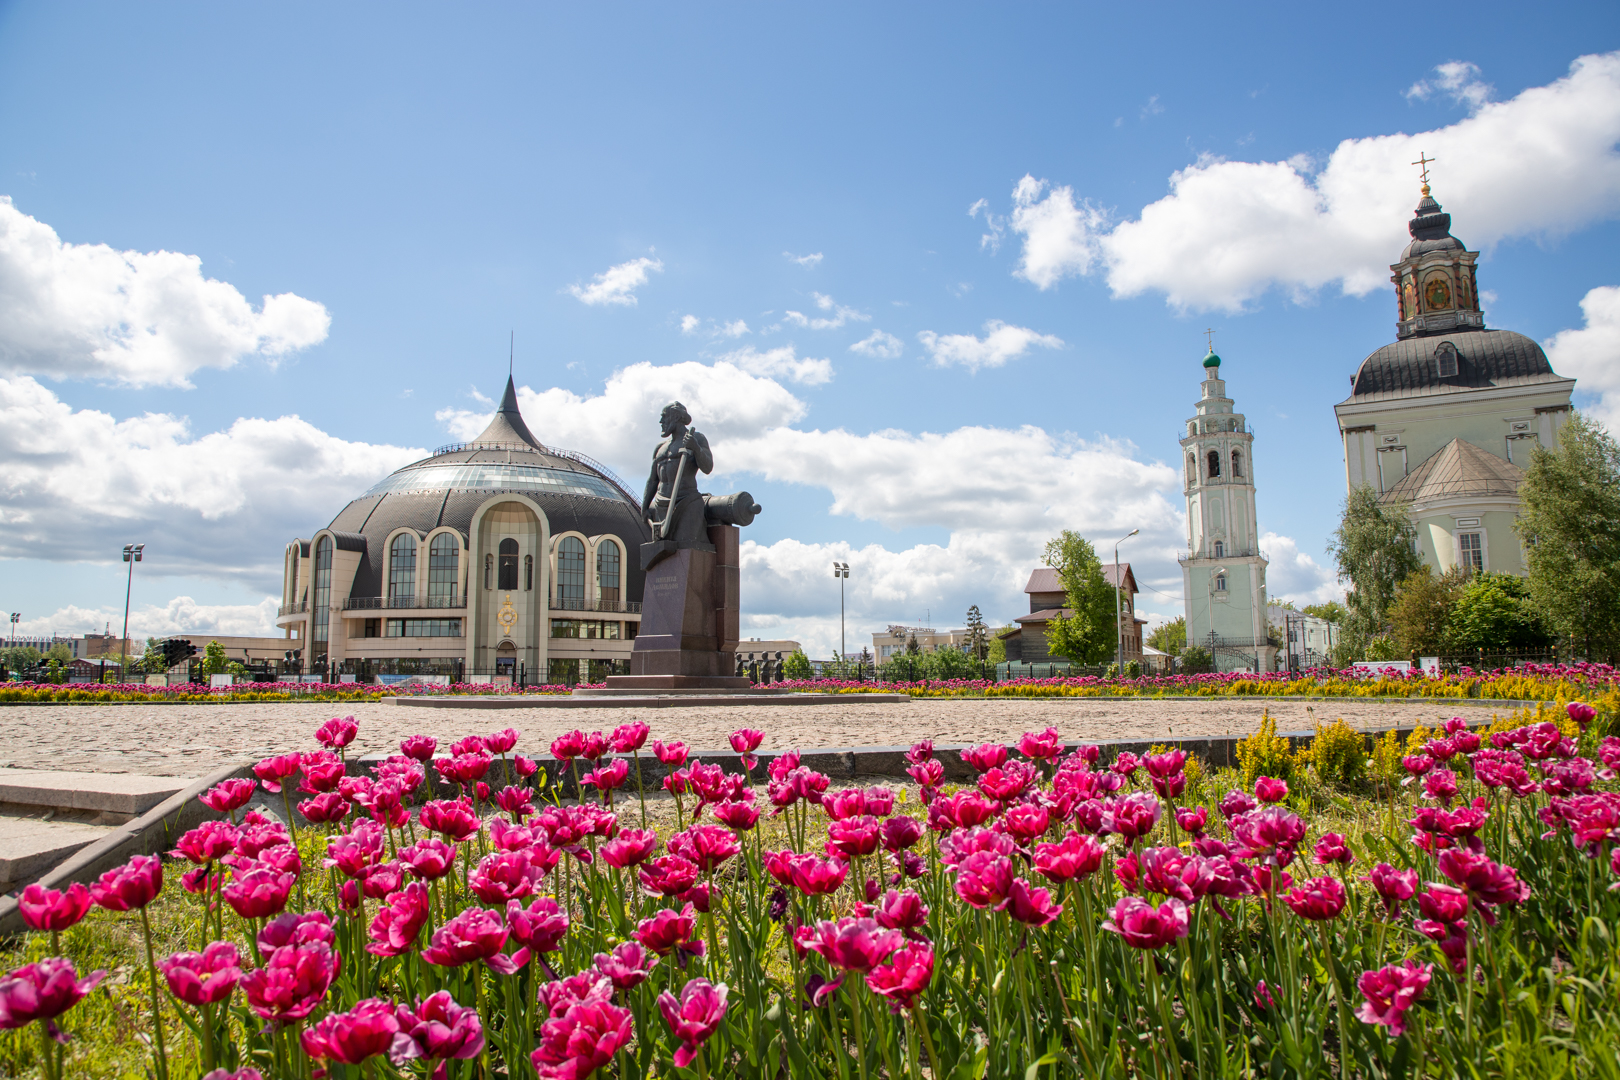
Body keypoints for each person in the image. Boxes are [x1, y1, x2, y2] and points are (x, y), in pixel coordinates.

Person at [641, 401, 714, 547]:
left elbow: (708, 467)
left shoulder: (697, 438)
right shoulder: (660, 448)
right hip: (661, 505)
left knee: (687, 547)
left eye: (664, 417)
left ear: (676, 417)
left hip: (686, 501)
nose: (661, 421)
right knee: (662, 550)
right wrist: (645, 506)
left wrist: (695, 448)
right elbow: (653, 480)